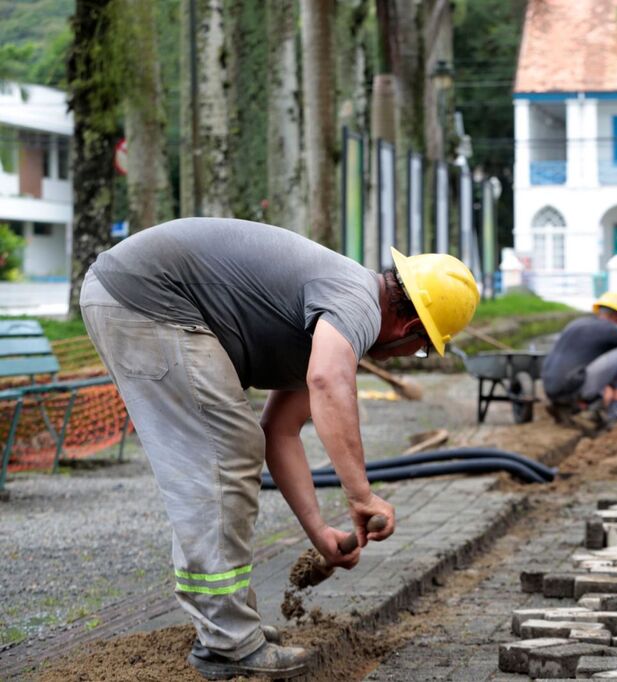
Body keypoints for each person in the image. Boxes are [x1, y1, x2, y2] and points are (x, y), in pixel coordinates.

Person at [81, 217, 479, 680]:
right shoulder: (357, 303)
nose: (411, 356)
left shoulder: (328, 316)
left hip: (140, 294)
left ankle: (228, 627)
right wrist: (360, 495)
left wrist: (318, 530)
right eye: (422, 349)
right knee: (224, 452)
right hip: (146, 298)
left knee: (238, 444)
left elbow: (281, 431)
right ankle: (227, 641)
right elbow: (329, 382)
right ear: (410, 327)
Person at [542, 291, 617, 425]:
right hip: (574, 388)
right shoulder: (610, 328)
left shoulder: (576, 323)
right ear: (616, 316)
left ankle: (575, 407)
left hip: (550, 389)